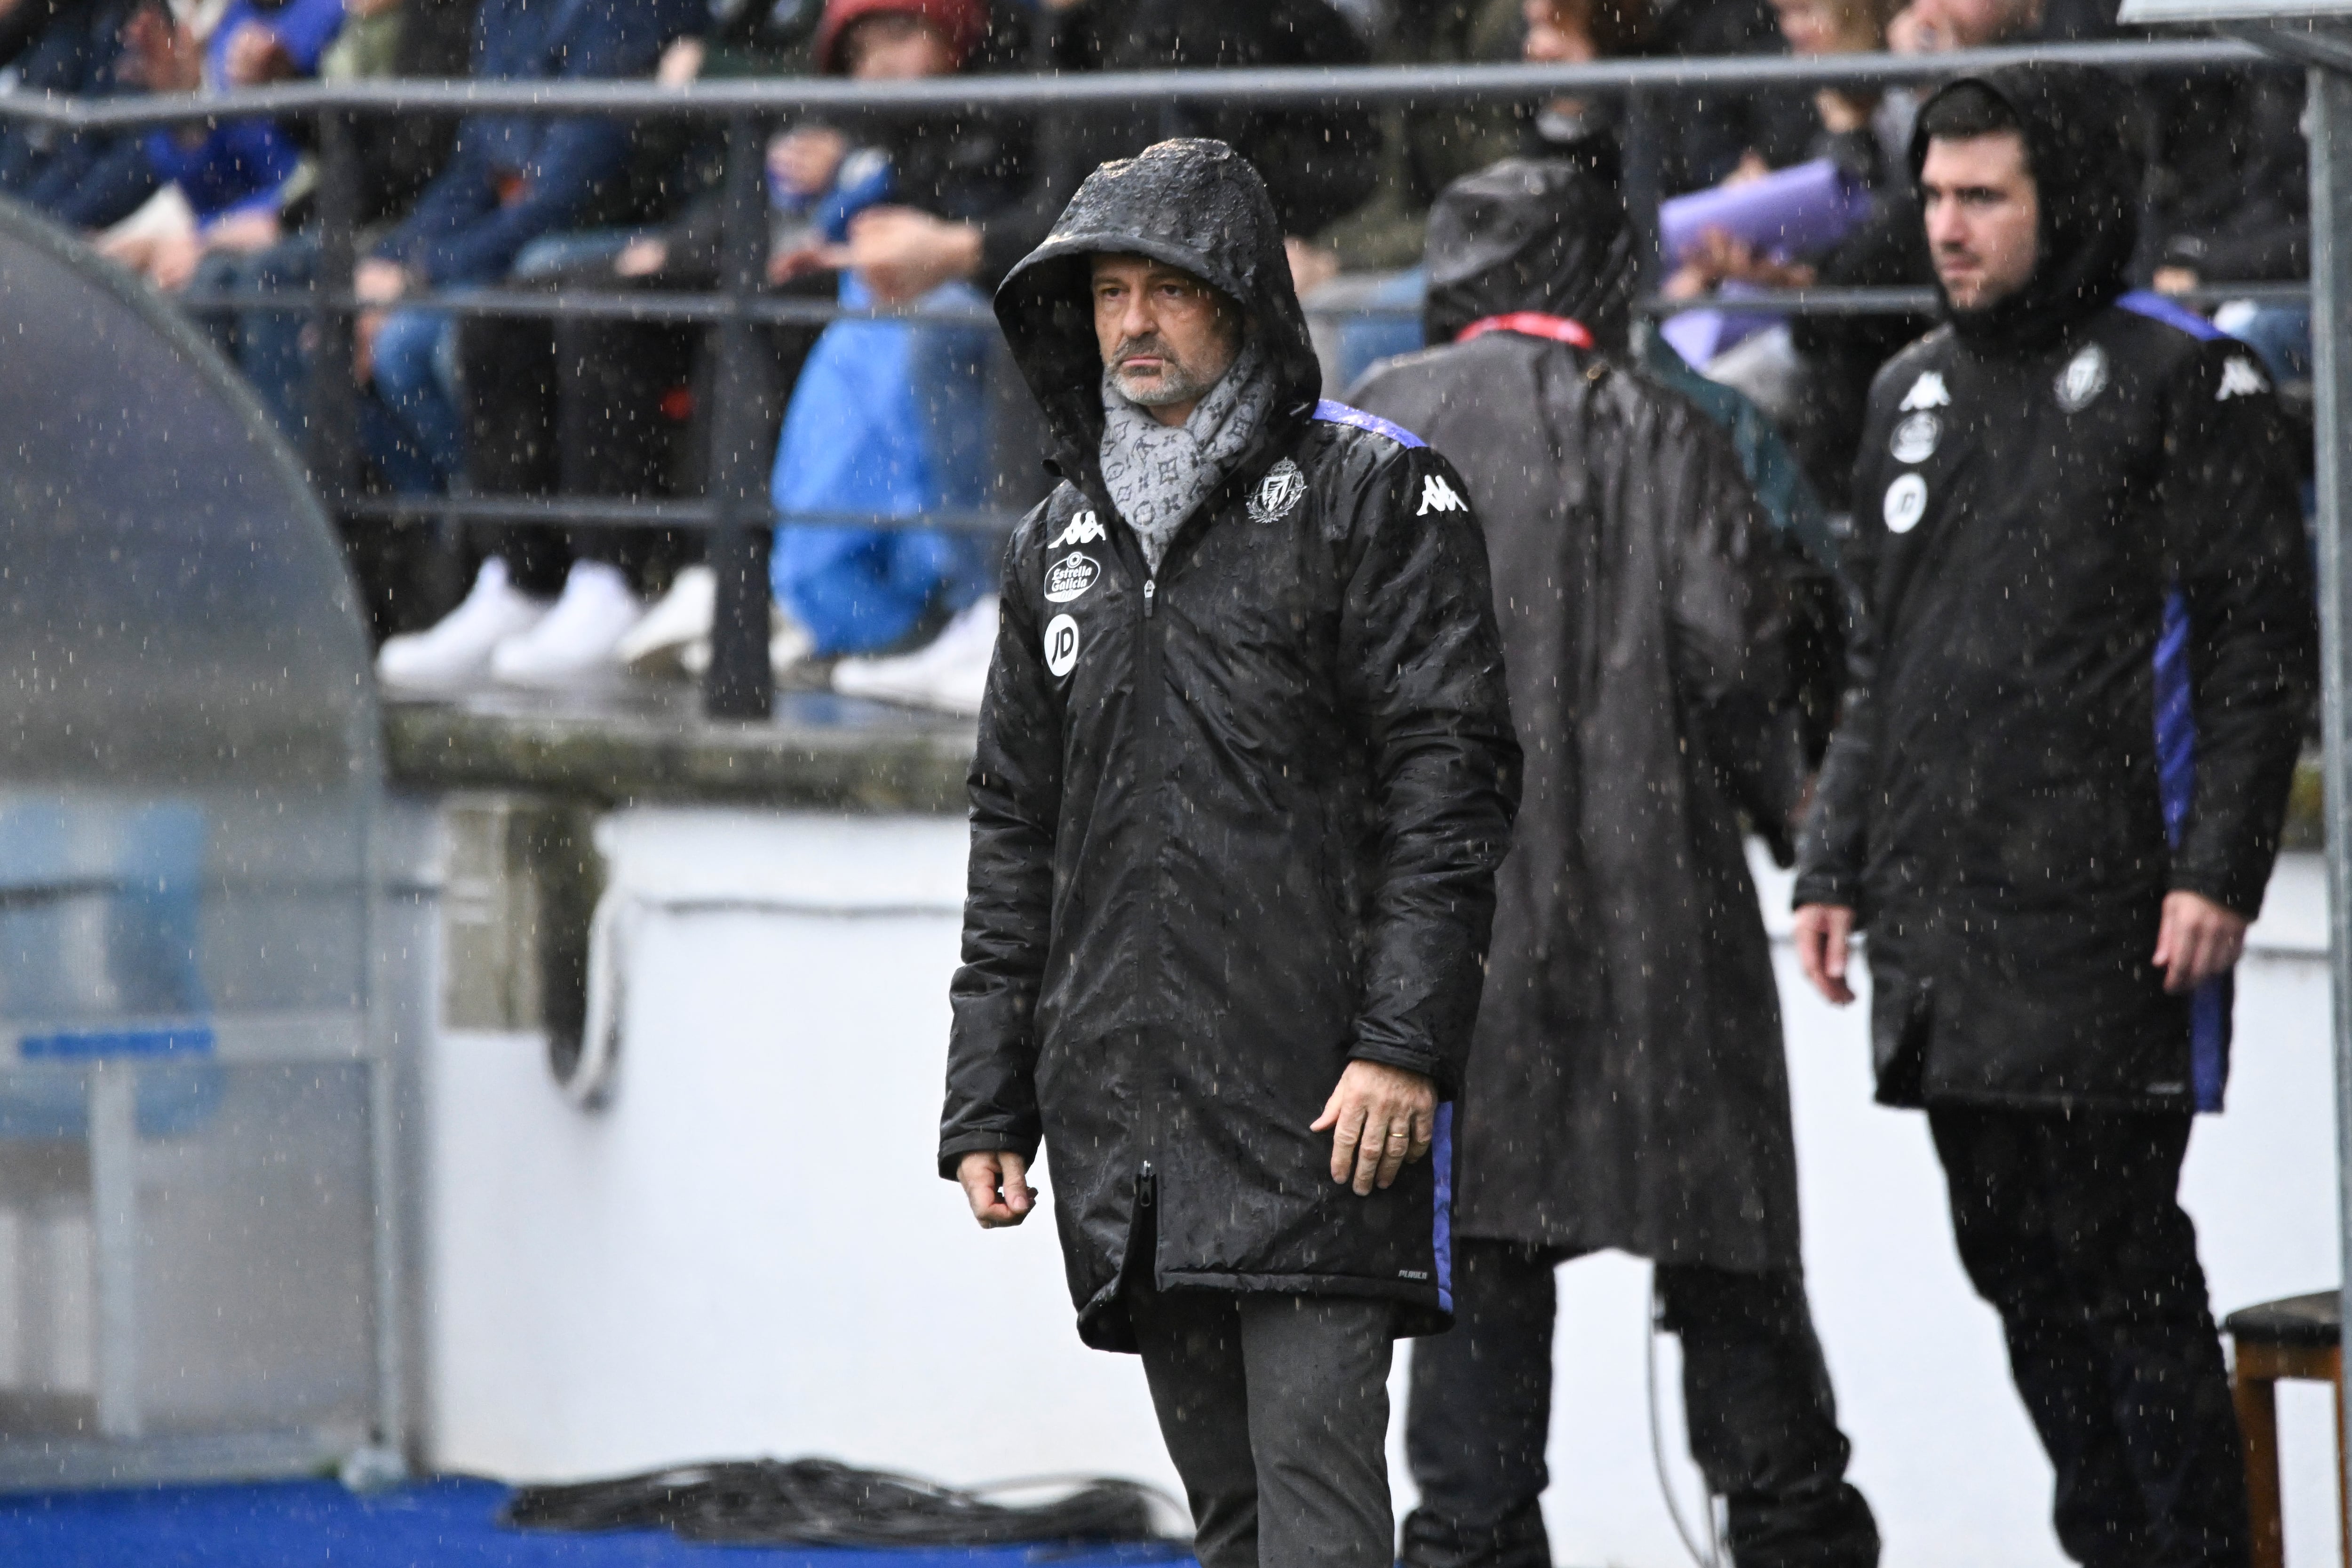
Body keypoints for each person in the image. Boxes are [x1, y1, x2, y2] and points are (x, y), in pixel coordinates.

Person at [942, 138, 1519, 1568]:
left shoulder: (1377, 494)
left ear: (1250, 301)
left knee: (1320, 1535)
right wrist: (987, 1097)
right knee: (1237, 1534)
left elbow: (1450, 790)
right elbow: (1016, 828)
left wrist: (1400, 1046)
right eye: (1109, 292)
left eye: (1172, 291)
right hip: (1128, 1127)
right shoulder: (1054, 544)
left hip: (1326, 1114)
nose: (1132, 323)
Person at [1791, 67, 2317, 1567]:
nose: (1946, 229)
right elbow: (1882, 658)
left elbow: (2255, 644)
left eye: (1983, 198)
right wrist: (1834, 863)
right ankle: (2110, 1547)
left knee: (2123, 1267)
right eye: (1935, 196)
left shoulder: (2186, 377)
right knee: (2008, 1262)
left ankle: (2189, 1554)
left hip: (2110, 917)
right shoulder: (1908, 391)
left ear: (2063, 200)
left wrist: (2220, 865)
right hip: (1945, 925)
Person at [1347, 157, 1876, 1568]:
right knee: (1738, 1299)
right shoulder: (1675, 429)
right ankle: (1790, 1531)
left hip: (1455, 961)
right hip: (1669, 945)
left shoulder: (1374, 426)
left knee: (1471, 1333)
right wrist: (1812, 842)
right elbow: (1741, 659)